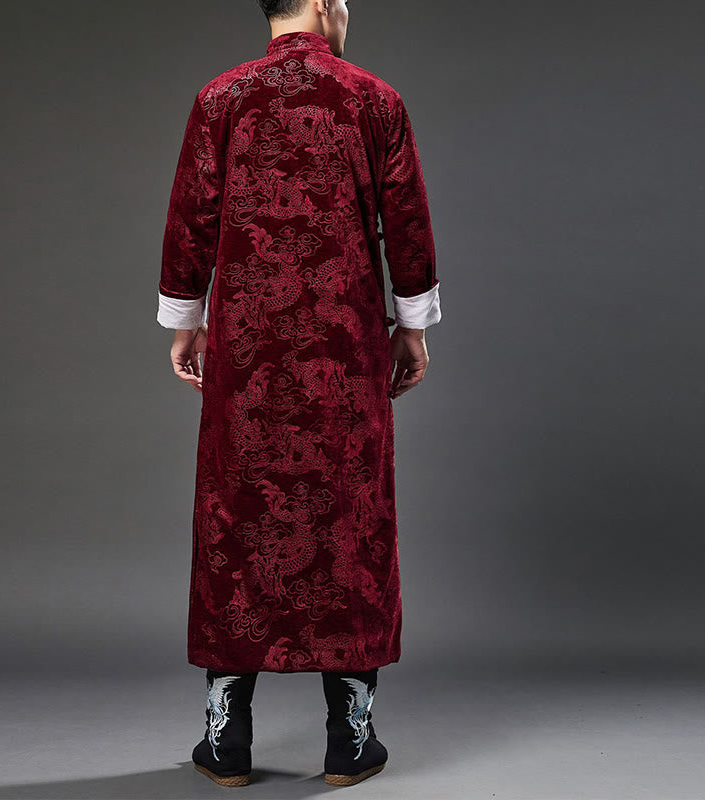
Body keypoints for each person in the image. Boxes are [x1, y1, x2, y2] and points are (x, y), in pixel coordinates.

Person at [156, 0, 441, 787]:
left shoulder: (221, 97)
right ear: (321, 3)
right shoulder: (374, 99)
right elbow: (406, 220)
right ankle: (351, 738)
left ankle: (225, 738)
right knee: (351, 517)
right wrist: (413, 327)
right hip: (344, 350)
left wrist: (185, 319)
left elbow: (190, 216)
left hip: (246, 349)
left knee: (235, 514)